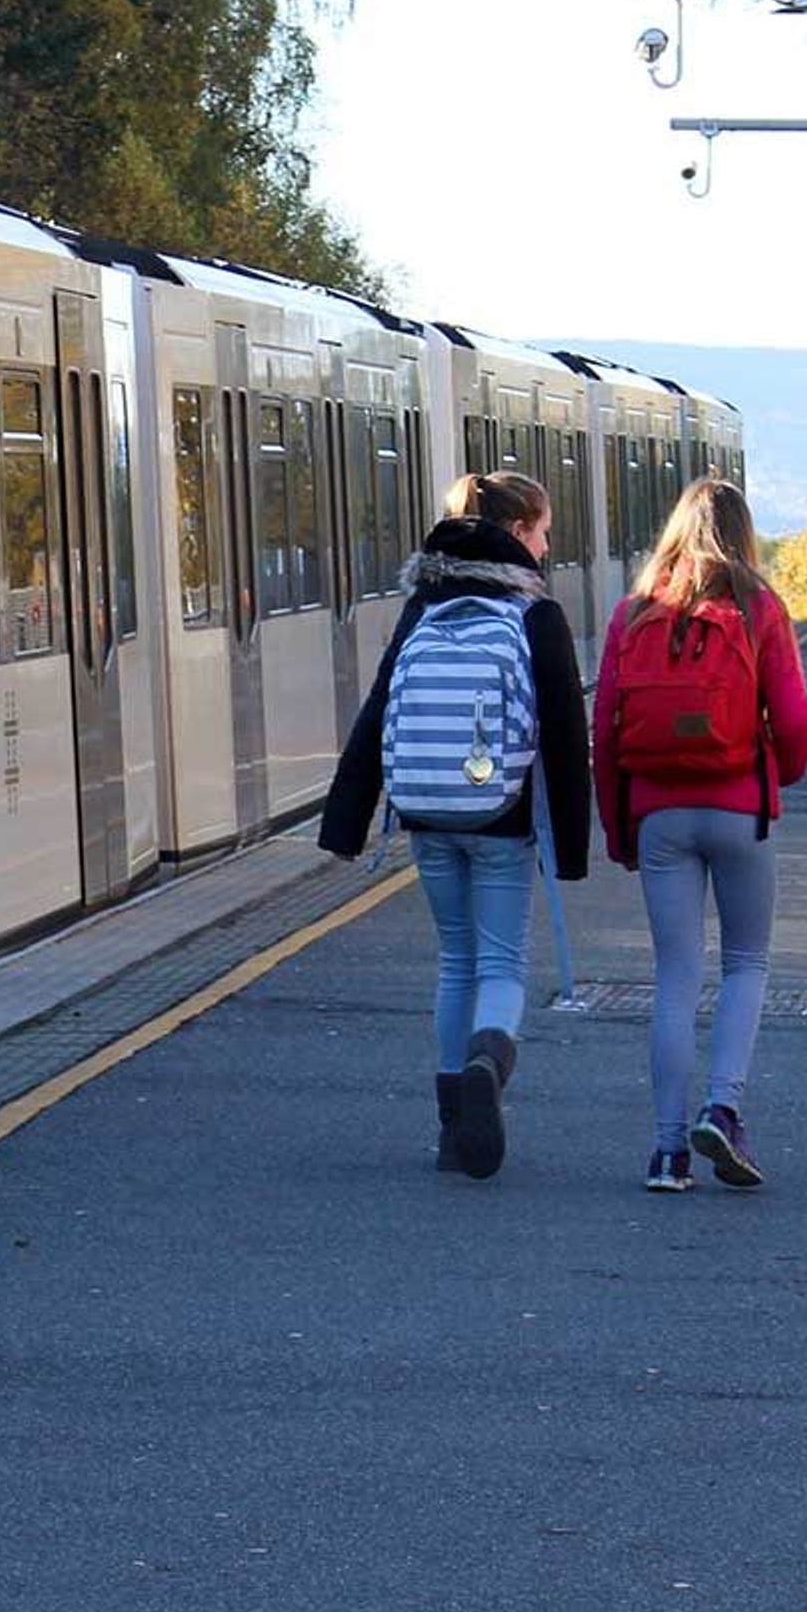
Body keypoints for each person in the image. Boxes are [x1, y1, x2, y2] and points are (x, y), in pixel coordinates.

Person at [319, 469, 590, 1181]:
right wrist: (574, 848)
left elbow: (380, 710)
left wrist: (345, 820)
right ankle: (486, 1067)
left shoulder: (421, 610)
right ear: (517, 534)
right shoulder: (536, 616)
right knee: (502, 963)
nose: (548, 542)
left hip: (426, 812)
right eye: (541, 530)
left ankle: (450, 1128)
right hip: (502, 817)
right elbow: (565, 737)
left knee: (456, 960)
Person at [592, 479, 807, 1194]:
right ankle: (723, 1107)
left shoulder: (634, 614)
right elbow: (797, 719)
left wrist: (619, 827)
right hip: (738, 806)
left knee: (676, 976)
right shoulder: (760, 608)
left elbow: (605, 732)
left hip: (659, 815)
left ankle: (665, 1152)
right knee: (746, 962)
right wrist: (777, 774)